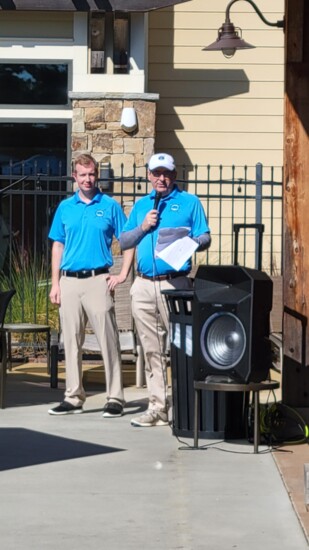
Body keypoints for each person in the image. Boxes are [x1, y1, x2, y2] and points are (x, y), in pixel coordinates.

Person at [119, 152, 211, 427]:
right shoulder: (141, 206)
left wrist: (191, 243)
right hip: (144, 285)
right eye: (156, 173)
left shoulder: (189, 202)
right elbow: (124, 241)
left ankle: (186, 406)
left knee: (183, 346)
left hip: (176, 283)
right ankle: (158, 408)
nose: (161, 178)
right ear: (148, 175)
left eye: (166, 173)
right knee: (151, 349)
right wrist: (144, 227)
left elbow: (205, 235)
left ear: (174, 175)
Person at [48, 153, 134, 417]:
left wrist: (122, 275)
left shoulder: (109, 206)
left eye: (91, 174)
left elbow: (128, 241)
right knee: (71, 341)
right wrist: (55, 283)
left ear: (97, 175)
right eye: (82, 174)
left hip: (99, 280)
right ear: (74, 176)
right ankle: (73, 396)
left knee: (108, 340)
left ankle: (115, 397)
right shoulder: (65, 208)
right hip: (69, 281)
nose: (87, 179)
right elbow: (57, 245)